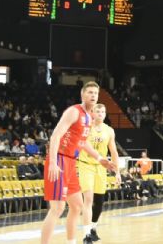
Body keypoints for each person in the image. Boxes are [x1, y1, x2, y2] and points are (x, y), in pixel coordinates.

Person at [40, 82, 116, 244]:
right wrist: (53, 162)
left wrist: (99, 158)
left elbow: (82, 142)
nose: (93, 95)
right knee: (58, 208)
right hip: (59, 159)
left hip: (71, 163)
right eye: (90, 92)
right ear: (82, 94)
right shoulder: (74, 111)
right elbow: (55, 136)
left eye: (95, 93)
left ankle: (71, 242)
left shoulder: (89, 117)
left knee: (77, 206)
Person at [78, 104, 121, 244]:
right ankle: (86, 235)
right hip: (86, 165)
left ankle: (93, 228)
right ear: (92, 113)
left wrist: (117, 172)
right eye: (98, 111)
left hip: (101, 168)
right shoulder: (85, 127)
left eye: (103, 111)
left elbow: (113, 152)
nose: (100, 113)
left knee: (99, 202)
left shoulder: (109, 130)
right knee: (88, 199)